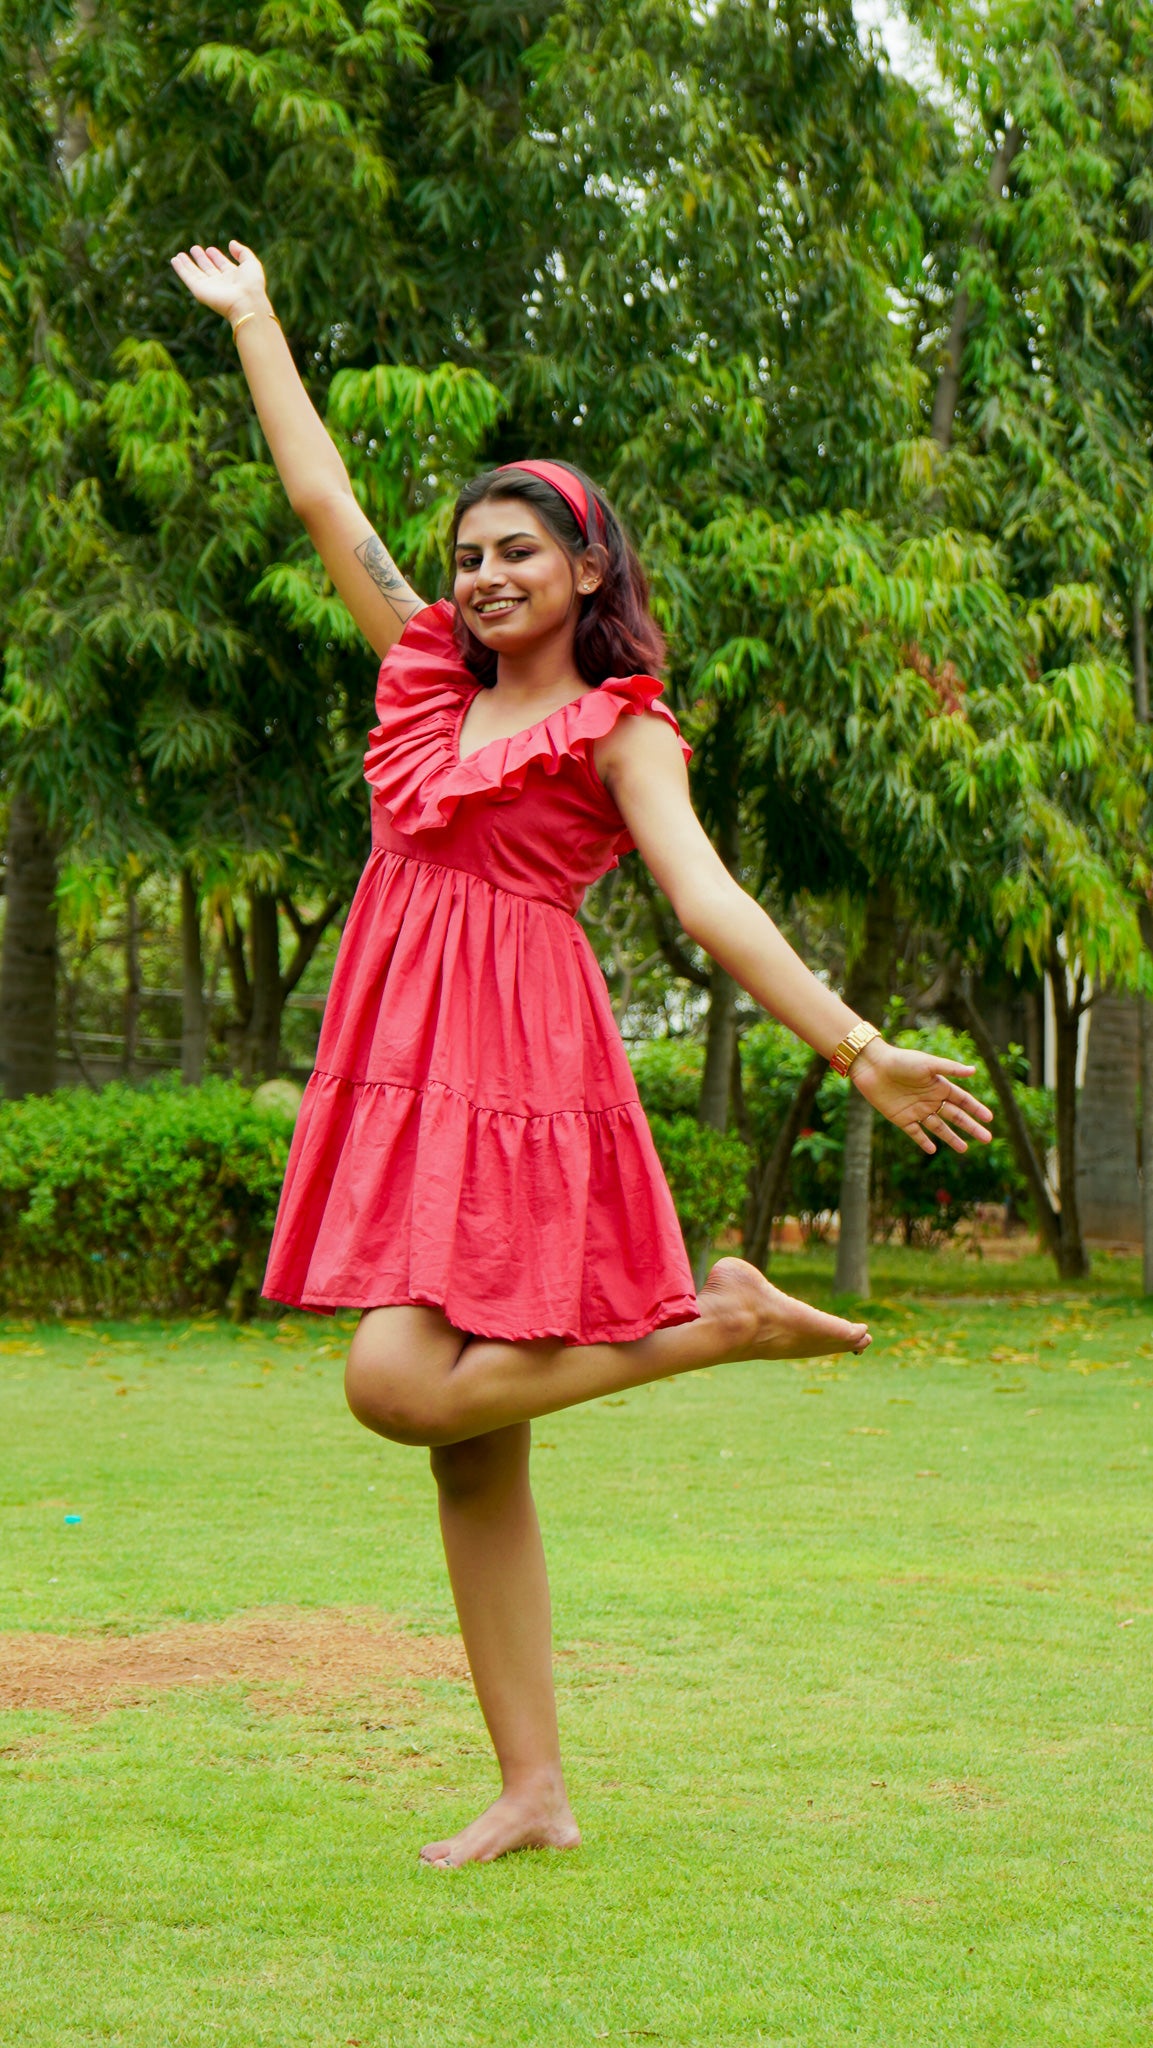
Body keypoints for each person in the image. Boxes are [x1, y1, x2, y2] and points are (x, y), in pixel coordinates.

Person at [171, 240, 994, 1870]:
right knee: (472, 1453)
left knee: (394, 1384)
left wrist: (851, 1046)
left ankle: (720, 1320)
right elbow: (327, 505)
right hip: (405, 1066)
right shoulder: (419, 681)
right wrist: (261, 320)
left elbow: (708, 902)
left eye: (516, 551)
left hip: (518, 1074)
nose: (479, 576)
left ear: (582, 567)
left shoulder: (619, 726)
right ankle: (532, 1790)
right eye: (468, 553)